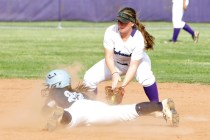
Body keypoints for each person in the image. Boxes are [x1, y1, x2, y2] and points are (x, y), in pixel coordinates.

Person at [41, 69, 179, 131]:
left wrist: (48, 110)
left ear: (55, 84)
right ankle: (160, 105)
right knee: (129, 111)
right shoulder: (78, 92)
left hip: (77, 110)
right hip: (97, 106)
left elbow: (44, 111)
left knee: (69, 120)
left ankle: (62, 114)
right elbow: (91, 101)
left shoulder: (55, 92)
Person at [83, 7, 159, 103]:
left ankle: (156, 106)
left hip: (137, 63)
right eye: (119, 21)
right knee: (89, 78)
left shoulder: (138, 38)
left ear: (132, 23)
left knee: (146, 77)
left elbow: (133, 66)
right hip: (116, 62)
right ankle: (91, 106)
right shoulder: (111, 31)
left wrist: (122, 86)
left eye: (124, 22)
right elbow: (109, 57)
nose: (120, 24)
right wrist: (114, 73)